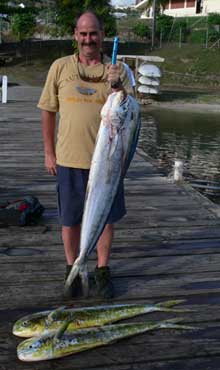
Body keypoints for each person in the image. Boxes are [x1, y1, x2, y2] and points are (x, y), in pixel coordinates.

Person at [38, 10, 133, 299]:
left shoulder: (118, 71)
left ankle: (102, 270)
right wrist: (49, 152)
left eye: (93, 33)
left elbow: (131, 110)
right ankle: (73, 267)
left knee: (105, 219)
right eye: (83, 33)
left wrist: (117, 85)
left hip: (107, 163)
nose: (88, 39)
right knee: (69, 219)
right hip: (69, 159)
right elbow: (47, 110)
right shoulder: (60, 67)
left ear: (102, 35)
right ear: (75, 36)